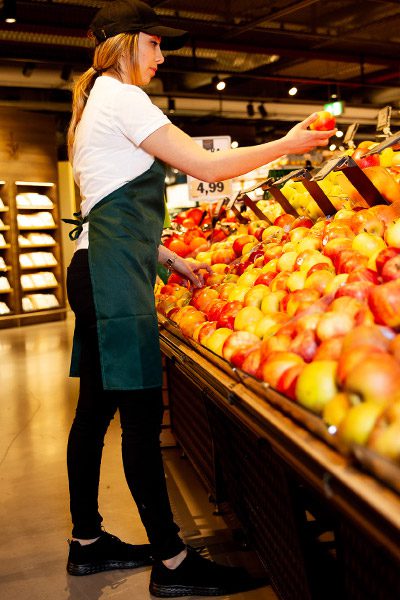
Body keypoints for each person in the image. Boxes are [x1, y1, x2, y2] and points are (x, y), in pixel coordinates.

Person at [64, 0, 335, 596]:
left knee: (94, 414)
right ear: (126, 42)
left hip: (98, 265)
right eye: (156, 44)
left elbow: (105, 207)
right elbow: (205, 165)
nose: (162, 56)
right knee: (137, 420)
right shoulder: (122, 95)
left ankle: (86, 543)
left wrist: (168, 256)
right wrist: (286, 146)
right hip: (111, 275)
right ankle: (172, 564)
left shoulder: (93, 103)